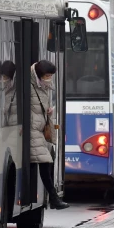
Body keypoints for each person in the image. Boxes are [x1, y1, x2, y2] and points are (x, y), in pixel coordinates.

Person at [30, 59, 69, 210]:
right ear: (39, 75)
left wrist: (48, 110)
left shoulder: (43, 86)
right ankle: (53, 198)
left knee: (48, 161)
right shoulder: (30, 85)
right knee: (45, 162)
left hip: (39, 129)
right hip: (31, 130)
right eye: (47, 75)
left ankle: (52, 198)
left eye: (51, 75)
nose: (49, 78)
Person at [0, 60, 18, 127]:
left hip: (14, 129)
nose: (2, 80)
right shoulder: (2, 91)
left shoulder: (16, 92)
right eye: (1, 76)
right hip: (5, 129)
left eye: (5, 77)